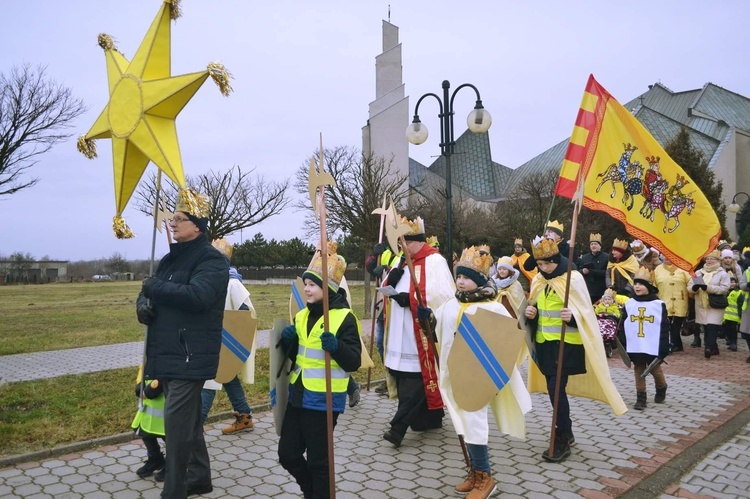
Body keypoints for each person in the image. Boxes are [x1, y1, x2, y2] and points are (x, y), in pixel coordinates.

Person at [136, 189, 229, 498]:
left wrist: (155, 289)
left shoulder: (212, 261)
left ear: (197, 225)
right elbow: (147, 294)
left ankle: (173, 491)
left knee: (175, 429)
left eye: (179, 219)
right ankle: (200, 478)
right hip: (165, 354)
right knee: (186, 424)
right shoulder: (167, 260)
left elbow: (198, 296)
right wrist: (143, 307)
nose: (172, 223)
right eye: (172, 218)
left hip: (191, 357)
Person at [435, 246, 531, 498]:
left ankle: (484, 478)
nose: (461, 281)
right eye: (459, 276)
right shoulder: (450, 304)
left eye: (466, 277)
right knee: (462, 421)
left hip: (478, 375)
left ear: (478, 281)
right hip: (454, 372)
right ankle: (475, 471)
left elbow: (502, 343)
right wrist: (428, 320)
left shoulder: (493, 307)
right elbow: (439, 332)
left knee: (474, 421)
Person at [524, 235, 626, 462]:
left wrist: (573, 317)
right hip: (544, 344)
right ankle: (565, 431)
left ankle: (562, 434)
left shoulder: (573, 279)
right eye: (539, 265)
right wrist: (531, 314)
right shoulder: (539, 281)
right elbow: (537, 311)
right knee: (555, 388)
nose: (543, 268)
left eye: (547, 264)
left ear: (557, 259)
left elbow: (586, 313)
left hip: (567, 344)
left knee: (555, 388)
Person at [277, 246, 362, 499]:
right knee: (287, 454)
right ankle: (310, 490)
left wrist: (336, 347)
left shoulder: (344, 318)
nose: (307, 289)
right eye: (306, 284)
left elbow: (353, 362)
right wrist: (289, 340)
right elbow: (297, 357)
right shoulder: (301, 316)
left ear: (329, 289)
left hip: (324, 401)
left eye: (313, 285)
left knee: (319, 462)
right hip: (298, 396)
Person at [382, 216, 455, 448]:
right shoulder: (402, 261)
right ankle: (430, 418)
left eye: (404, 242)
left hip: (419, 331)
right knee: (405, 376)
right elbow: (385, 287)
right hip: (400, 330)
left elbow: (443, 295)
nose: (401, 248)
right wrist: (390, 281)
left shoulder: (434, 261)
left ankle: (397, 428)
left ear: (415, 241)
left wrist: (411, 300)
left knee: (417, 377)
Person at [200, 238, 257, 434]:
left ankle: (192, 430)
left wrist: (230, 342)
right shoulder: (209, 281)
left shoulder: (233, 284)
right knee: (228, 377)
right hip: (209, 339)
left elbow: (245, 316)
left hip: (223, 342)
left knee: (210, 380)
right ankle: (244, 417)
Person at [616, 267, 670, 410]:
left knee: (655, 370)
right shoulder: (629, 303)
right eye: (636, 284)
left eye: (641, 284)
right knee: (639, 369)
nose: (637, 287)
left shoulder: (658, 305)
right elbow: (624, 324)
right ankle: (641, 398)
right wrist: (623, 342)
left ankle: (661, 386)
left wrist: (664, 345)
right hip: (636, 344)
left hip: (652, 344)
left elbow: (663, 326)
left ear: (648, 287)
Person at [688, 250, 730, 359]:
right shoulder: (698, 273)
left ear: (718, 260)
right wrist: (694, 288)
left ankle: (709, 348)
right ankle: (714, 347)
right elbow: (689, 287)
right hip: (701, 304)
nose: (709, 261)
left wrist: (709, 288)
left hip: (715, 303)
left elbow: (725, 288)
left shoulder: (722, 273)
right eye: (707, 259)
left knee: (712, 325)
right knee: (706, 325)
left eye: (712, 259)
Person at [131, 365, 166, 479]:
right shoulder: (149, 351)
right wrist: (140, 386)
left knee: (171, 437)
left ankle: (173, 464)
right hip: (149, 407)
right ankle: (155, 458)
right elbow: (143, 368)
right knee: (145, 432)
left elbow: (170, 370)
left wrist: (151, 390)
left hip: (167, 403)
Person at [653, 257, 691, 352]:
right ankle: (674, 344)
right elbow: (654, 285)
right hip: (664, 300)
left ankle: (675, 344)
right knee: (666, 324)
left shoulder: (683, 268)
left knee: (676, 324)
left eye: (670, 257)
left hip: (680, 301)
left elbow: (690, 284)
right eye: (665, 257)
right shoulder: (658, 269)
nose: (668, 259)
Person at [578, 233, 609, 303]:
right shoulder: (585, 257)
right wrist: (583, 271)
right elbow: (579, 270)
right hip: (587, 289)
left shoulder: (606, 257)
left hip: (601, 289)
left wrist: (592, 272)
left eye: (595, 244)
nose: (593, 246)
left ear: (600, 246)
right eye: (591, 244)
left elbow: (607, 273)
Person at [595, 289, 620, 357]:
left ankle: (608, 336)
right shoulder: (600, 306)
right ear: (603, 300)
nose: (607, 301)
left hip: (610, 319)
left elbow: (618, 314)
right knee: (598, 324)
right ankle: (601, 336)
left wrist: (614, 314)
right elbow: (595, 312)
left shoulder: (614, 307)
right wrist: (597, 314)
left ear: (612, 300)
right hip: (601, 319)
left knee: (609, 325)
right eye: (605, 299)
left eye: (609, 299)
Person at [722, 274, 743, 351]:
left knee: (733, 330)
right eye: (730, 282)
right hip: (725, 316)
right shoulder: (725, 291)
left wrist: (741, 315)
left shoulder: (738, 292)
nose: (732, 283)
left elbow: (741, 304)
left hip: (734, 316)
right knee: (727, 330)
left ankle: (734, 344)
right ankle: (730, 342)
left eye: (734, 282)